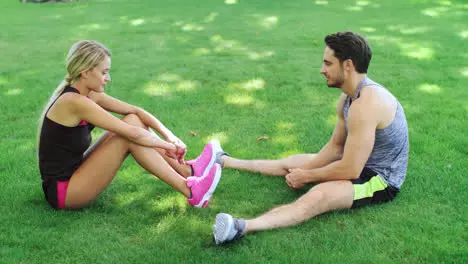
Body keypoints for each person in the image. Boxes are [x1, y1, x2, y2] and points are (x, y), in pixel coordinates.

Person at [212, 31, 409, 244]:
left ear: (348, 65)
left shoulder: (367, 104)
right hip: (356, 161)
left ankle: (240, 227)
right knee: (292, 163)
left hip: (379, 178)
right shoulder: (348, 98)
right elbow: (335, 147)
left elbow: (351, 169)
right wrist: (305, 170)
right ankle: (224, 160)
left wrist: (307, 176)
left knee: (318, 196)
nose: (322, 70)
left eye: (328, 63)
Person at [38, 40, 223, 210]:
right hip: (64, 192)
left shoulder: (88, 95)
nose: (108, 78)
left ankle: (187, 170)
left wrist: (169, 136)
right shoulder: (73, 101)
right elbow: (132, 135)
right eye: (103, 72)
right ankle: (192, 191)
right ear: (85, 72)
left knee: (132, 119)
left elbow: (136, 111)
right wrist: (167, 147)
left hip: (77, 172)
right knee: (127, 137)